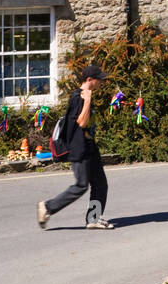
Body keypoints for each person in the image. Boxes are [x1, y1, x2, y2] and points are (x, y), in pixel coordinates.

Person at [37, 63, 113, 229]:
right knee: (81, 185)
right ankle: (47, 207)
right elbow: (81, 122)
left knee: (100, 184)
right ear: (89, 79)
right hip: (79, 149)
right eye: (99, 79)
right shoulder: (79, 97)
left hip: (89, 147)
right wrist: (88, 101)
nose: (101, 82)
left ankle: (93, 219)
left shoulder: (85, 95)